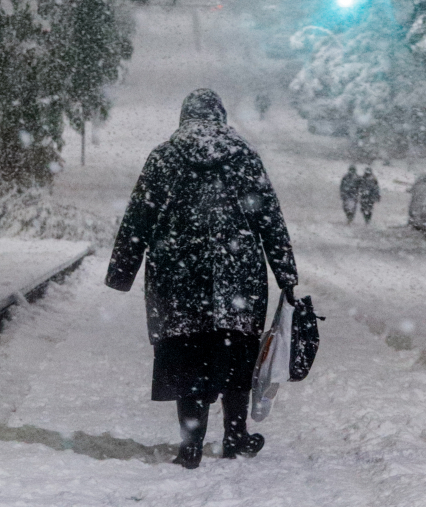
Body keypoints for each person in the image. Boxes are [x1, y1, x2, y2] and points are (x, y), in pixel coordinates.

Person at [105, 89, 299, 469]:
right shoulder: (244, 157)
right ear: (220, 119)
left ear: (184, 119)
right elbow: (269, 219)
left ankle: (191, 444)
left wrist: (122, 272)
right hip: (238, 277)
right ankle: (235, 436)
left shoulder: (164, 157)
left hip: (179, 279)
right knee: (237, 356)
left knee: (187, 357)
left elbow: (138, 219)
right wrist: (286, 275)